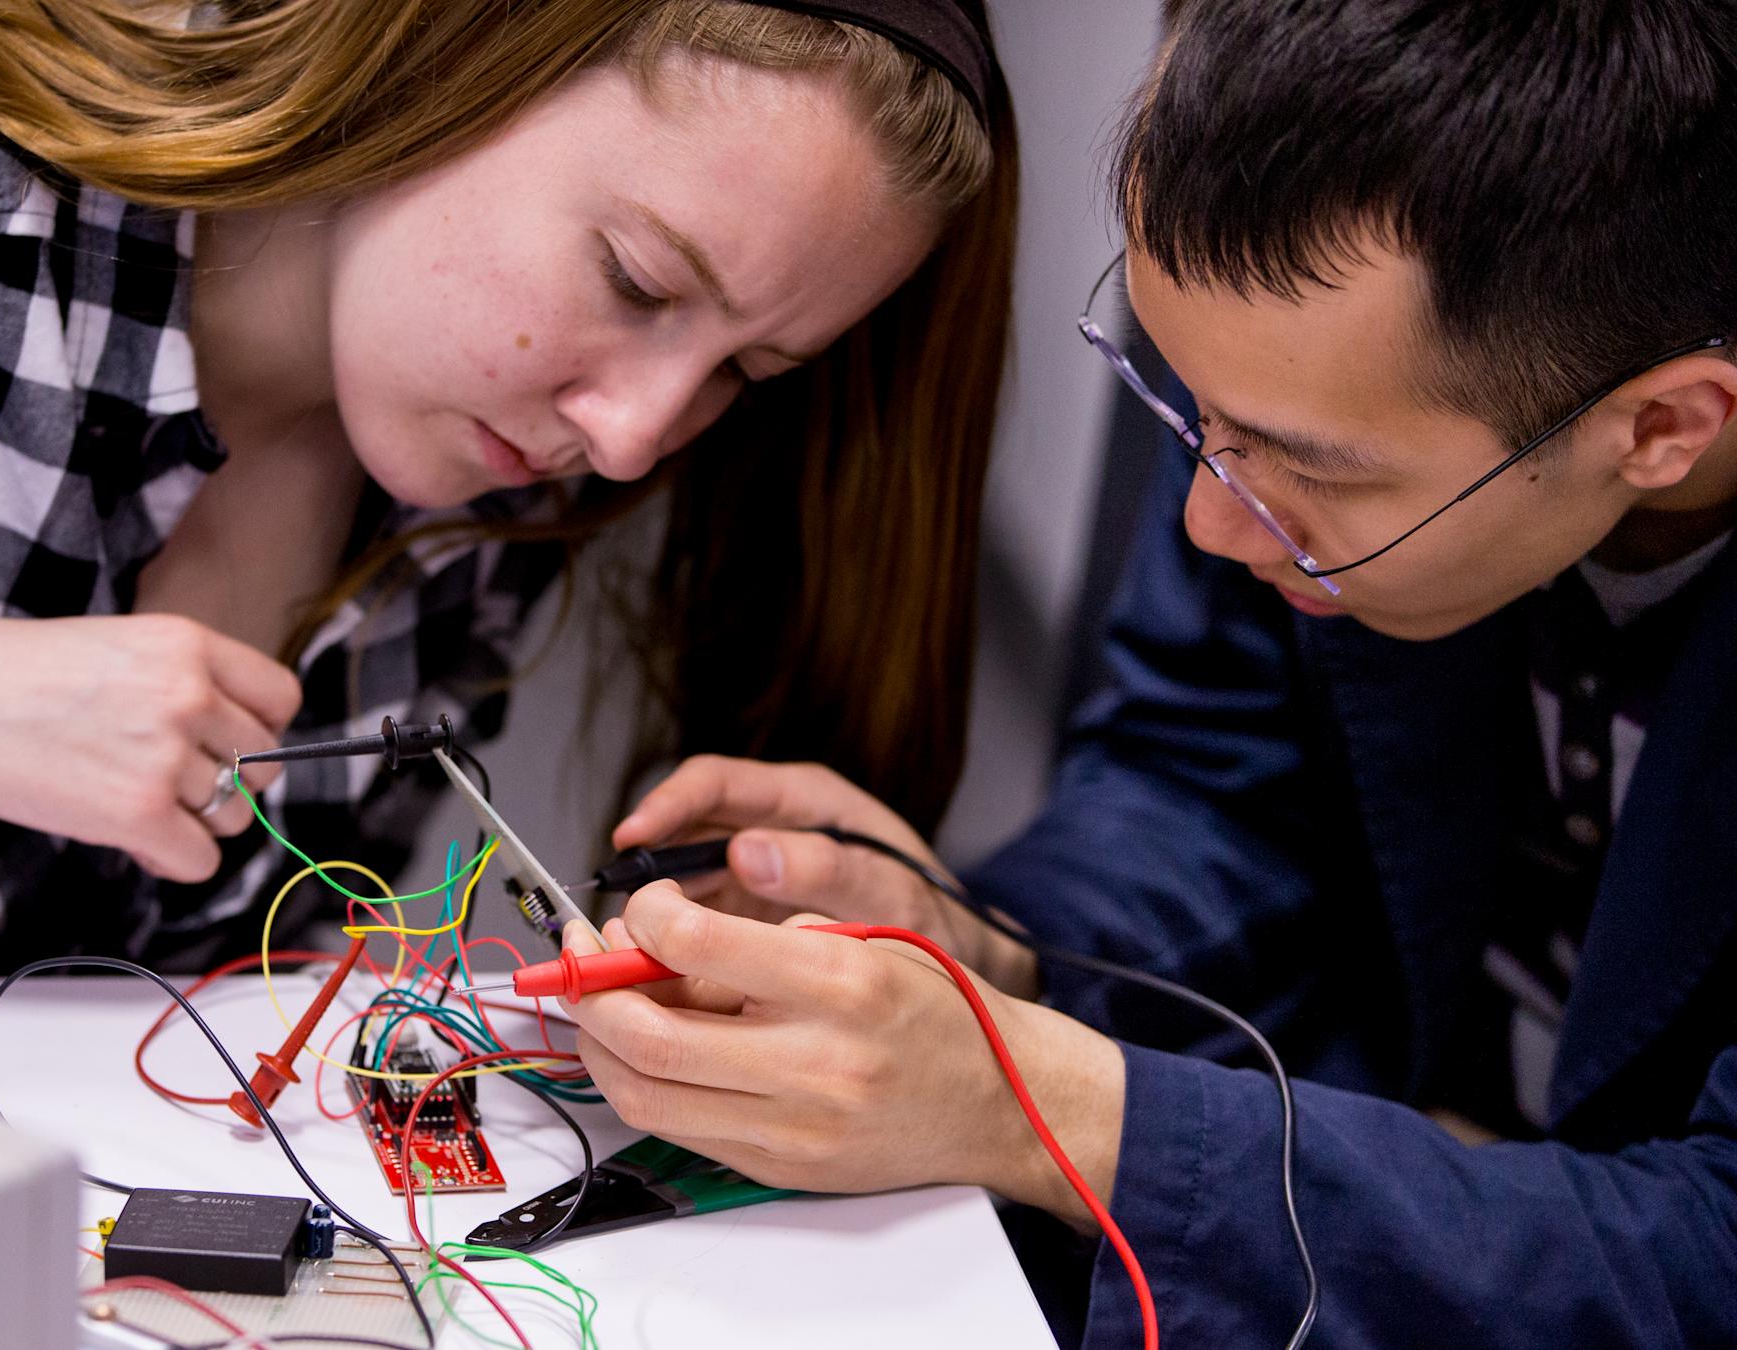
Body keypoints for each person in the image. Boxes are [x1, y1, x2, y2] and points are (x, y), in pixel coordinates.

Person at [0, 1, 1016, 976]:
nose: (638, 434)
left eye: (743, 371)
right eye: (638, 280)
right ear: (446, 54)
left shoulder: (487, 476)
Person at [569, 1, 1737, 1344]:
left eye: (1307, 471)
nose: (1209, 522)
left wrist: (1043, 1103)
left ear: (1661, 425)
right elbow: (1205, 775)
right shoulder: (1295, 355)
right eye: (1190, 410)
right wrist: (995, 949)